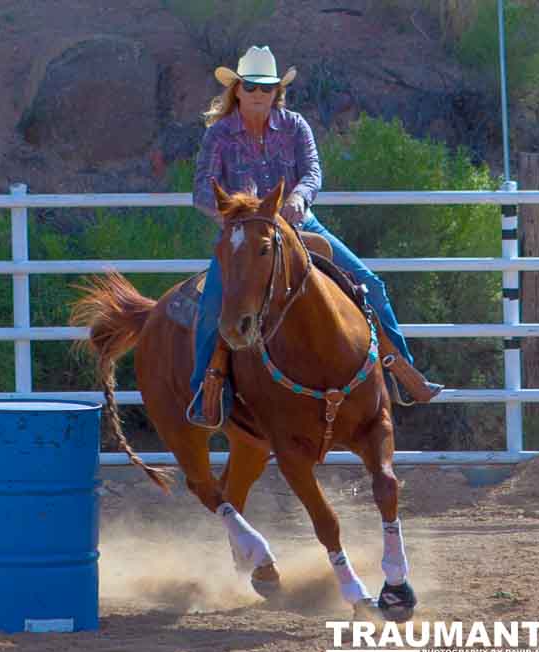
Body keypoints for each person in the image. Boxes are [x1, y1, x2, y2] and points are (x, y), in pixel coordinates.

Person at [188, 45, 443, 427]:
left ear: (277, 91)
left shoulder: (294, 126)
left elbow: (312, 174)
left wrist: (297, 198)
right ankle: (205, 393)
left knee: (371, 285)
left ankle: (403, 374)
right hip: (244, 238)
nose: (260, 94)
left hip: (301, 227)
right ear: (237, 90)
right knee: (211, 307)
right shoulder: (219, 135)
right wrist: (239, 214)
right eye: (252, 87)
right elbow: (201, 192)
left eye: (267, 87)